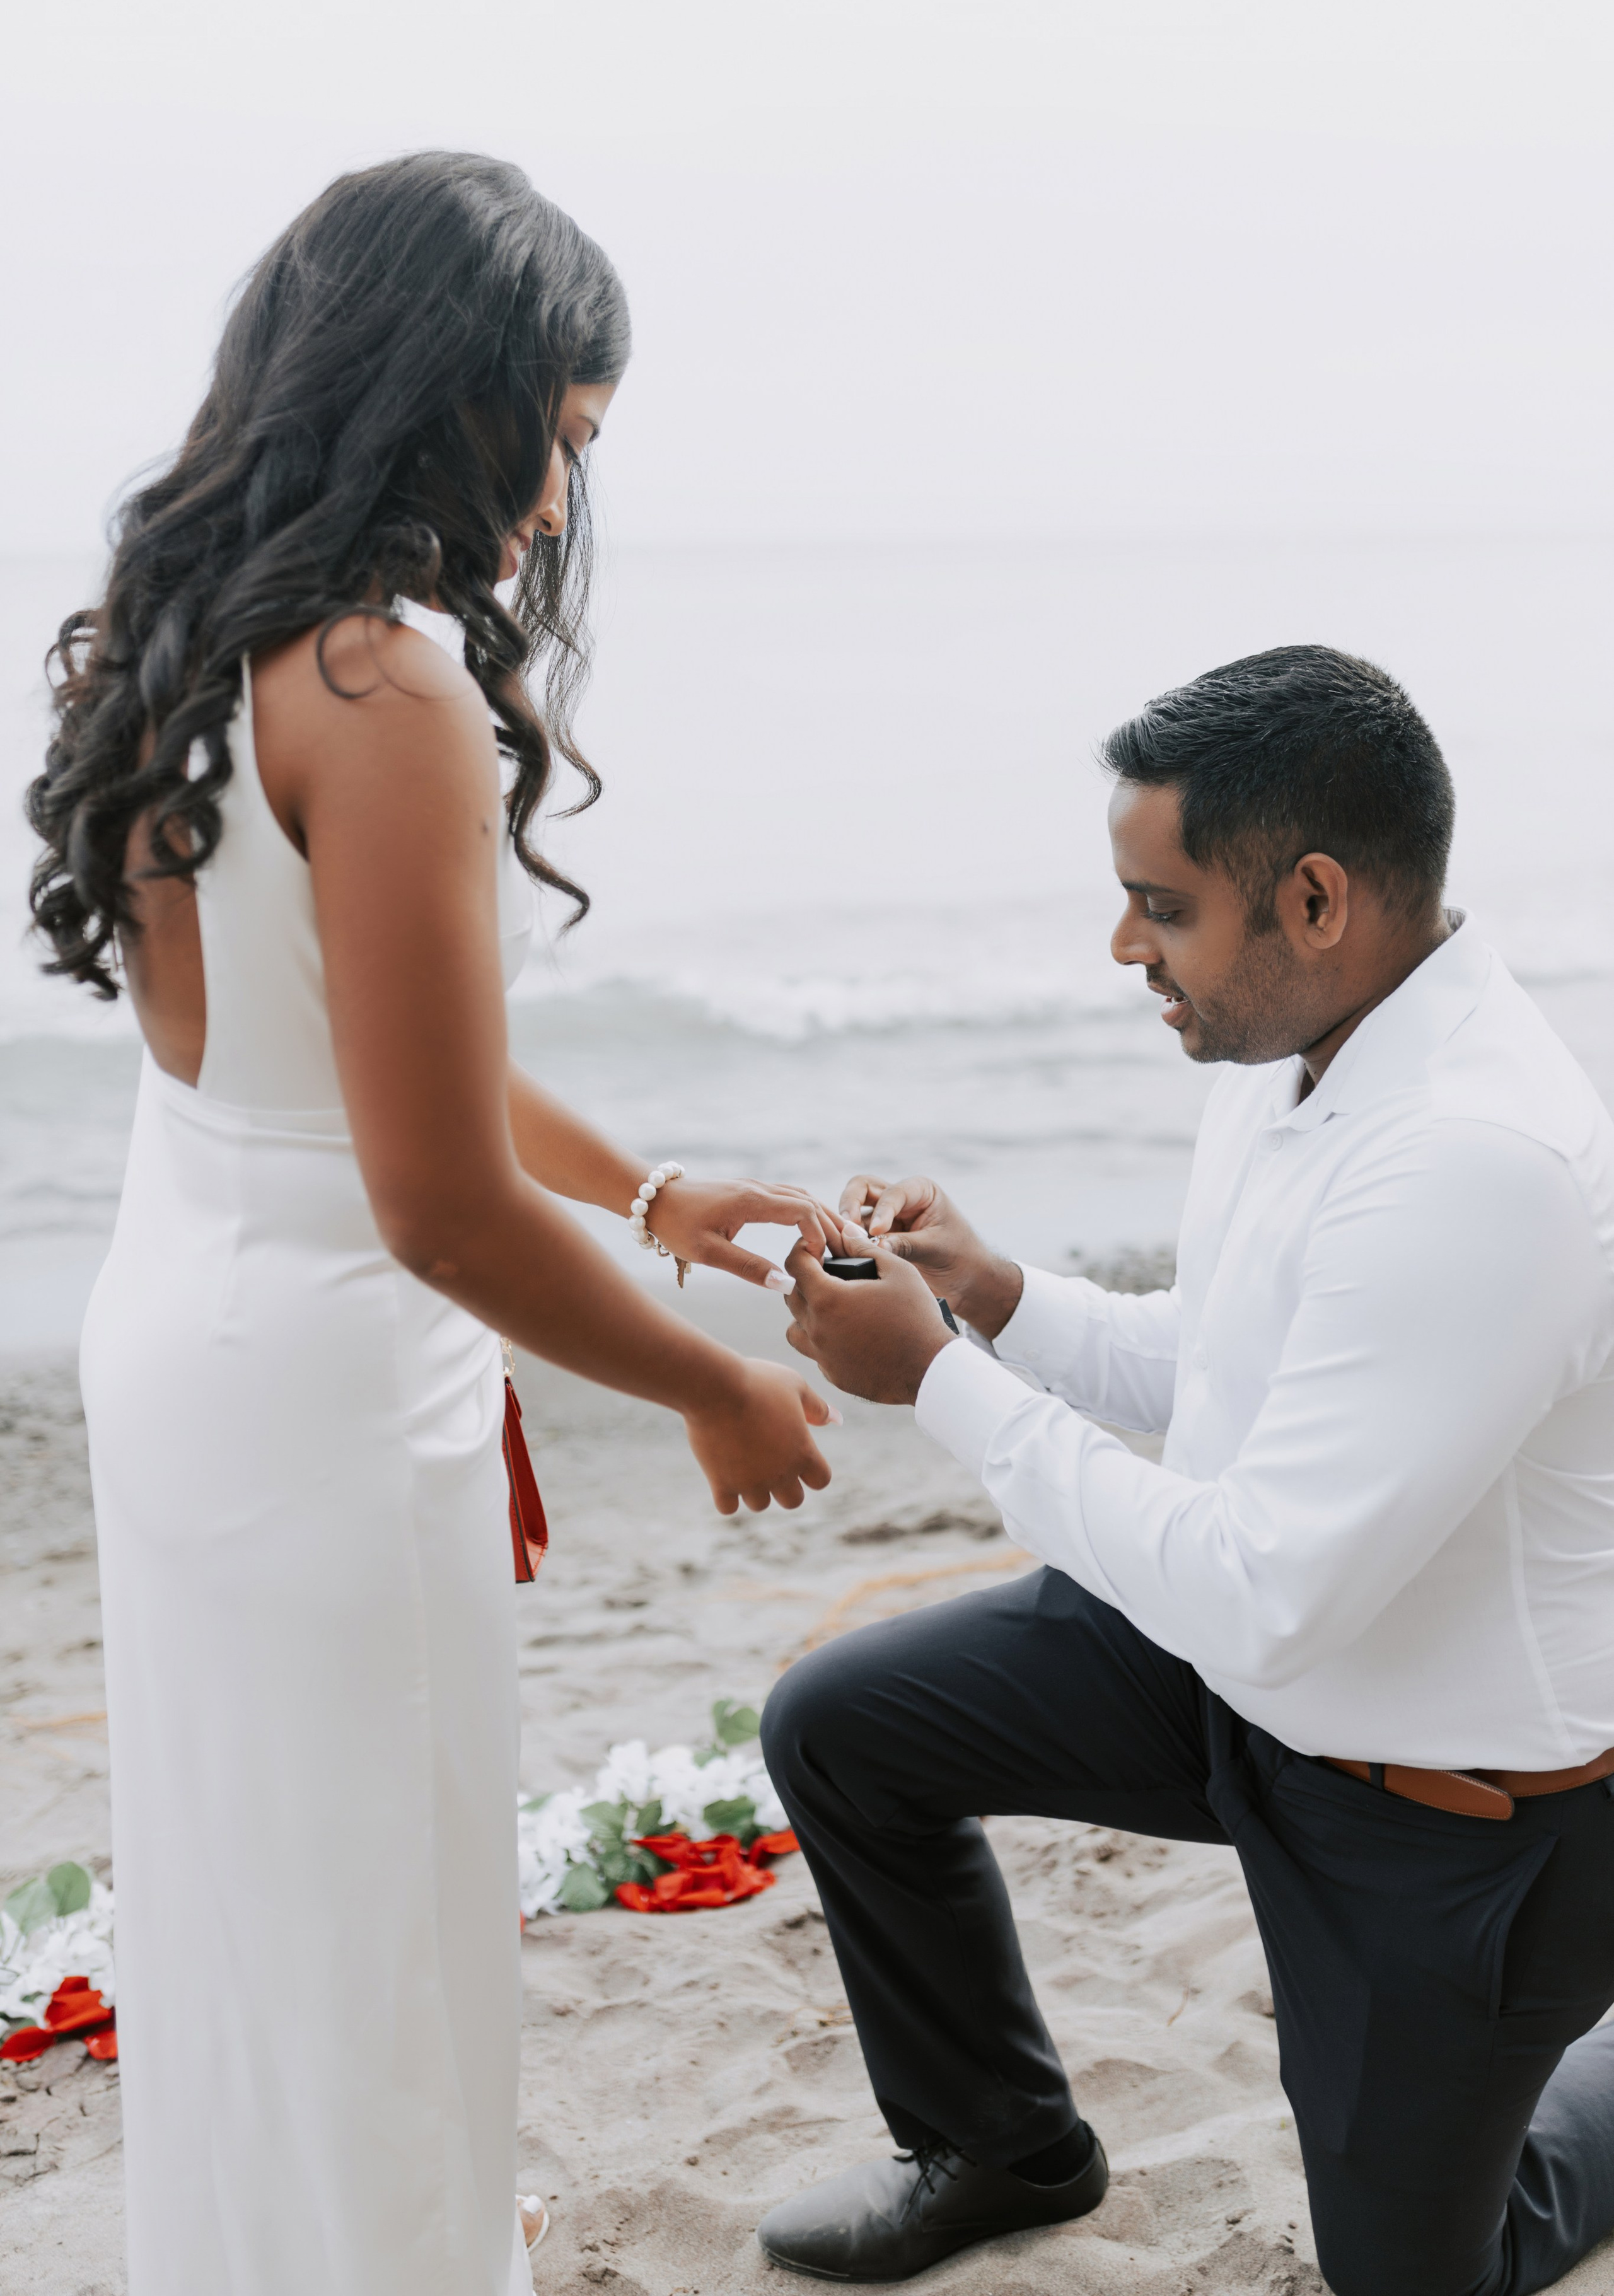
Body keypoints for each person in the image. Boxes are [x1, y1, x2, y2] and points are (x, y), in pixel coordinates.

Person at [26, 153, 844, 2296]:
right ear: (450, 395)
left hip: (184, 1343)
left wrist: (657, 1196)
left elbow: (337, 1062)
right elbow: (439, 1206)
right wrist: (714, 1384)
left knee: (248, 1912)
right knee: (376, 1923)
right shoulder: (394, 699)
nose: (562, 506)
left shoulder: (179, 644)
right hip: (326, 1399)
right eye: (560, 441)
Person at [760, 645, 1614, 2296]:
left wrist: (935, 1375)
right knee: (846, 1728)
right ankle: (997, 2147)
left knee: (1438, 2269)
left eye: (1159, 906)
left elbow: (1262, 1586)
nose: (1121, 946)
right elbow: (1221, 1361)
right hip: (1241, 1676)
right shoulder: (1294, 1045)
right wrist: (997, 1300)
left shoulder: (1477, 1158)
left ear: (1311, 899)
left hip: (1445, 1825)